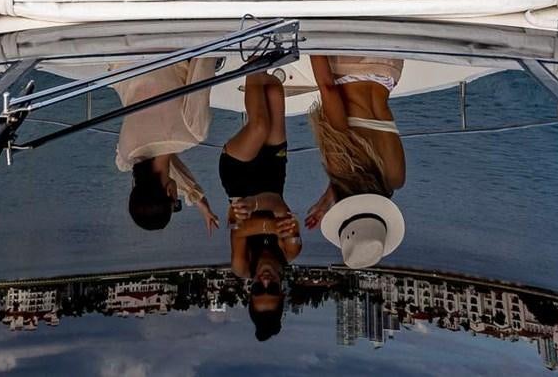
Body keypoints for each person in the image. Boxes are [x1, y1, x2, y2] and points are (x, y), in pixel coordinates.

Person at [304, 54, 407, 269]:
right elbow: (328, 89)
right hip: (352, 63)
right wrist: (310, 40)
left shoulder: (396, 178)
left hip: (389, 67)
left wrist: (328, 198)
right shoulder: (340, 167)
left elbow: (364, 173)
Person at [222, 69, 301, 341]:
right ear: (282, 292)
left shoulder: (241, 265)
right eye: (271, 290)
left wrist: (267, 220)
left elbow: (239, 228)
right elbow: (276, 203)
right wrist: (259, 212)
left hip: (237, 178)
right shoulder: (291, 250)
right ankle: (267, 58)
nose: (264, 282)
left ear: (250, 290)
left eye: (257, 290)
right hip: (273, 172)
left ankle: (255, 53)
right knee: (274, 91)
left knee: (259, 126)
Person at [115, 59, 222, 232]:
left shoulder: (191, 133)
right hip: (124, 58)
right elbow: (155, 163)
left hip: (168, 50)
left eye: (175, 200)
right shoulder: (127, 154)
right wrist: (196, 197)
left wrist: (194, 196)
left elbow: (203, 62)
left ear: (171, 193)